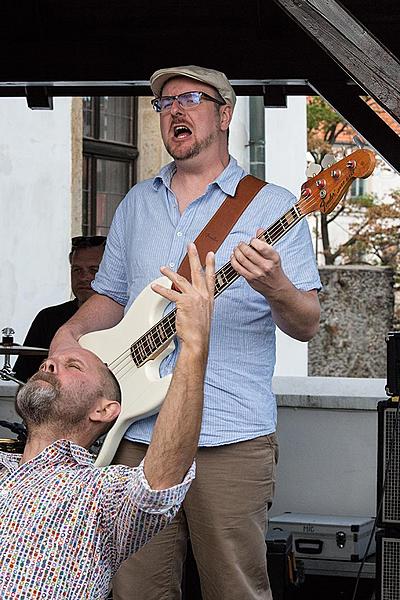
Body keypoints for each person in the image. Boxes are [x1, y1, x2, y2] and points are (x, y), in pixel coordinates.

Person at [50, 65, 321, 600]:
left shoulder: (275, 205)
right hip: (137, 435)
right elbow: (111, 297)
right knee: (134, 588)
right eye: (164, 103)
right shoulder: (135, 204)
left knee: (234, 588)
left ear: (224, 114)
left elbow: (306, 323)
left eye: (190, 99)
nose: (174, 110)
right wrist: (70, 334)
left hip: (229, 435)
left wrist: (276, 286)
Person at [0, 244, 215, 599]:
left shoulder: (101, 492)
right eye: (49, 364)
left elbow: (160, 482)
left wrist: (193, 347)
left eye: (73, 366)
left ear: (104, 410)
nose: (50, 364)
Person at [14, 235, 106, 382]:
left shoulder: (125, 318)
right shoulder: (48, 318)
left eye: (94, 269)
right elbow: (25, 381)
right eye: (77, 270)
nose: (84, 277)